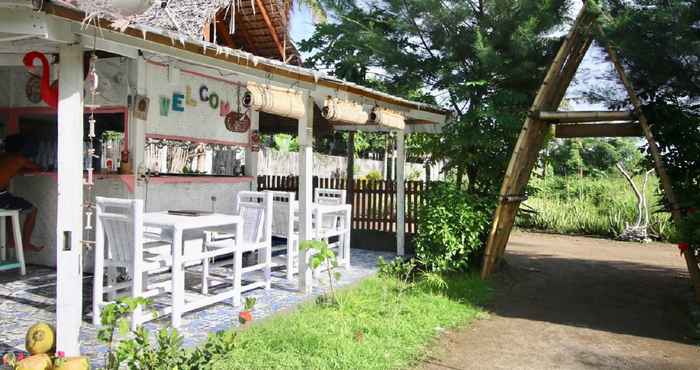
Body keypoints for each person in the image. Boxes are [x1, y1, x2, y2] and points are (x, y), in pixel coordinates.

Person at [0, 134, 44, 251]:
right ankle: (25, 243)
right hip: (1, 198)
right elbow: (38, 167)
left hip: (3, 196)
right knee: (32, 210)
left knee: (10, 209)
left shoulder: (3, 156)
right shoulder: (19, 159)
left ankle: (11, 240)